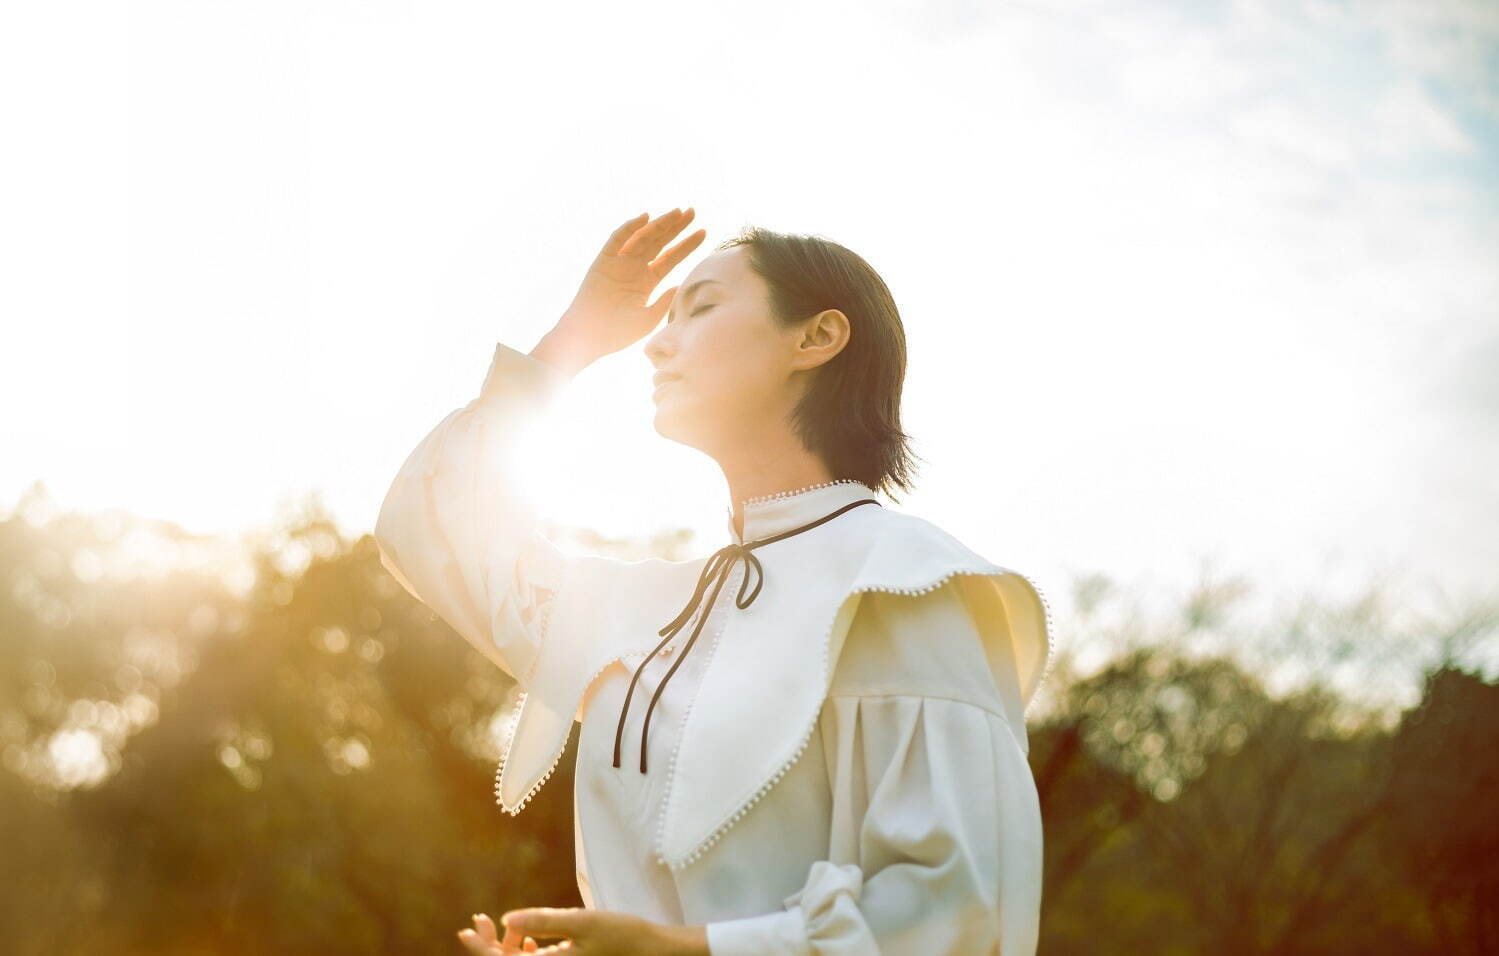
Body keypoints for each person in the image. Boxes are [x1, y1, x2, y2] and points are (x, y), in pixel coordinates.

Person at [373, 209, 1054, 955]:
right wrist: (572, 342)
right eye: (662, 318)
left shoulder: (907, 585)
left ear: (817, 337)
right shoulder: (633, 608)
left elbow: (959, 918)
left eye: (699, 309)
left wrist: (680, 951)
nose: (657, 344)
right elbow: (430, 525)